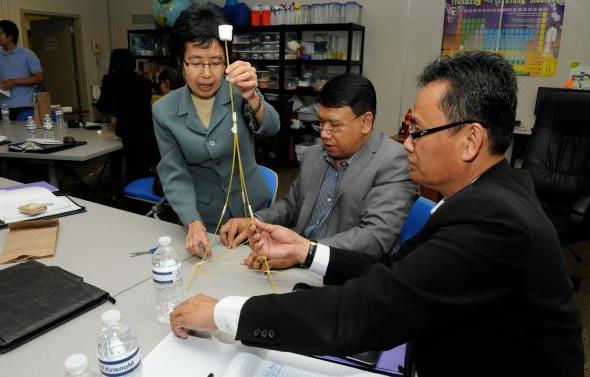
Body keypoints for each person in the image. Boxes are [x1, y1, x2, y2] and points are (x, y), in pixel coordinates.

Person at [169, 52, 584, 376]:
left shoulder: (494, 224)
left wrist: (225, 313)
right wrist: (307, 252)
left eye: (418, 131)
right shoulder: (487, 196)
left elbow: (367, 309)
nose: (406, 144)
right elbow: (397, 270)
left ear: (470, 140)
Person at [220, 73, 416, 269]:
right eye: (321, 122)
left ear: (365, 122)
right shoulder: (314, 155)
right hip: (300, 261)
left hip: (347, 275)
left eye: (335, 125)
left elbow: (375, 237)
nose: (324, 134)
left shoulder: (394, 161)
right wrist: (256, 222)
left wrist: (304, 252)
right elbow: (291, 204)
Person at [153, 6, 280, 257]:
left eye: (216, 62)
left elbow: (272, 127)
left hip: (252, 216)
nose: (207, 74)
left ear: (227, 61)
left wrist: (252, 96)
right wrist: (193, 221)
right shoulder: (164, 110)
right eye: (196, 63)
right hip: (206, 221)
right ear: (181, 62)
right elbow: (174, 173)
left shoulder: (239, 91)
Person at [96, 49, 158, 185]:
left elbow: (103, 106)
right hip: (148, 128)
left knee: (118, 154)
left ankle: (115, 184)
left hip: (126, 129)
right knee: (140, 168)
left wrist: (115, 113)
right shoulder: (144, 81)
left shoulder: (110, 80)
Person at [0, 20, 43, 120]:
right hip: (2, 107)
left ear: (10, 36)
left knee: (22, 135)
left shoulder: (28, 55)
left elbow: (39, 78)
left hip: (23, 106)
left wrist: (14, 82)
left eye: (0, 33)